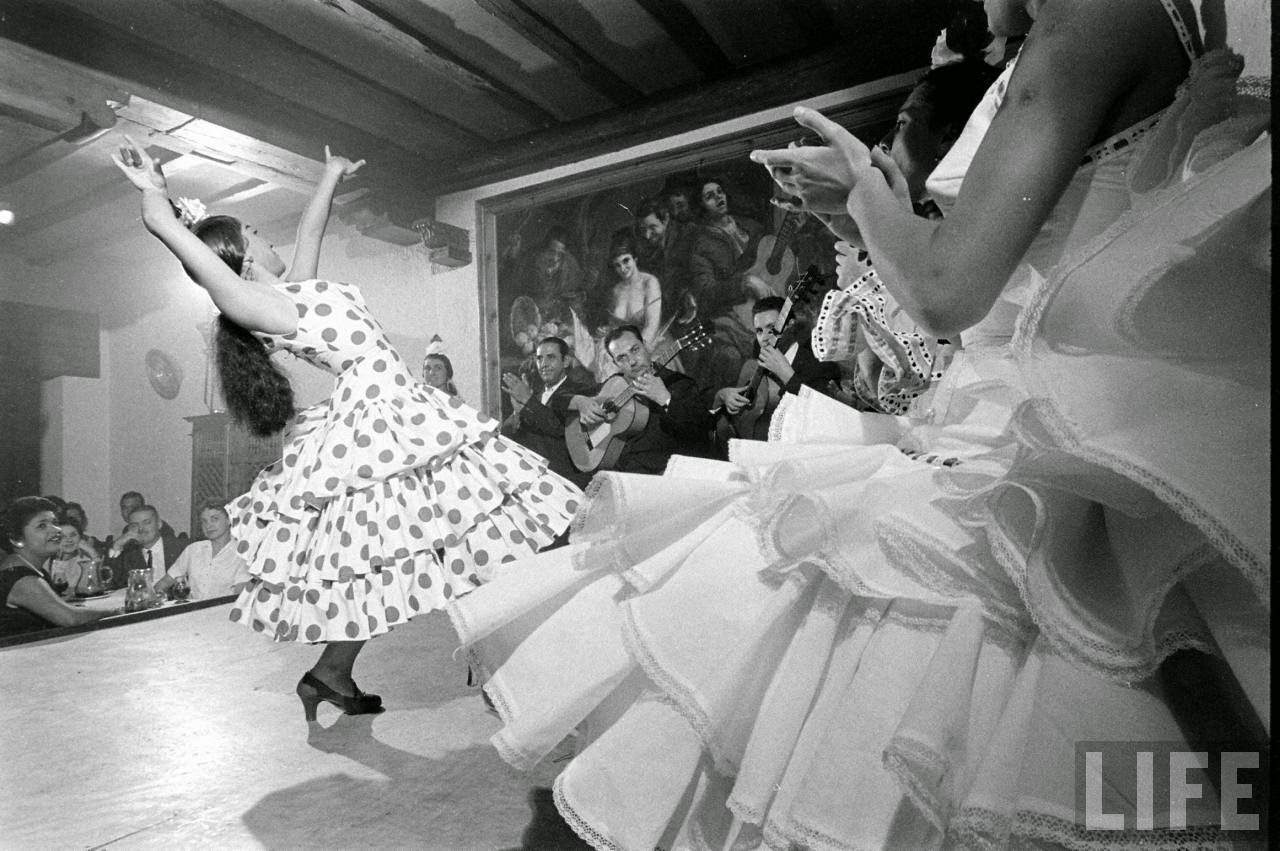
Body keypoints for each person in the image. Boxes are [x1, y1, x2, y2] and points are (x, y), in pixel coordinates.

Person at [450, 1, 1268, 846]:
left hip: (1019, 440)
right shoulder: (1146, 24)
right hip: (1013, 418)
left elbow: (950, 290)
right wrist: (862, 212)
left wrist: (865, 192)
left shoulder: (1090, 17)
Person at [113, 138, 582, 720]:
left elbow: (309, 236)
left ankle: (331, 675)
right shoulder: (255, 303)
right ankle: (509, 677)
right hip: (379, 419)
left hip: (396, 411)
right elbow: (177, 238)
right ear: (239, 253)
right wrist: (153, 193)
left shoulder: (290, 292)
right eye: (256, 233)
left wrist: (329, 175)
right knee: (445, 539)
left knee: (404, 555)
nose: (269, 237)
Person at [810, 46, 1001, 414]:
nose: (885, 141)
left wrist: (870, 278)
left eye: (902, 123)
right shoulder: (938, 221)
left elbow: (913, 386)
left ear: (947, 135)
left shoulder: (968, 226)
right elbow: (877, 386)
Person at [572, 325, 710, 475]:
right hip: (613, 470)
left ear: (646, 345)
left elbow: (701, 432)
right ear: (616, 364)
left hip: (658, 475)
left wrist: (665, 398)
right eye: (621, 357)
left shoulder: (680, 383)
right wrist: (580, 402)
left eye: (635, 350)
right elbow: (564, 397)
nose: (632, 362)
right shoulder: (615, 383)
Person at [713, 295, 840, 444]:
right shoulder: (752, 366)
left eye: (771, 329)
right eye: (759, 331)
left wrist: (787, 375)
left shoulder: (822, 365)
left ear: (791, 325)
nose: (764, 338)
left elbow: (826, 416)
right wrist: (722, 395)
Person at [1, 497, 119, 637]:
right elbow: (70, 618)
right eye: (42, 526)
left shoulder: (29, 567)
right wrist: (115, 612)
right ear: (17, 539)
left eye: (55, 523)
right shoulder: (22, 579)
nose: (56, 530)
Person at [501, 336, 597, 490]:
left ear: (566, 361)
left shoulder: (580, 390)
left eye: (550, 357)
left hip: (569, 483)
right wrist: (517, 413)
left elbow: (563, 430)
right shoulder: (534, 396)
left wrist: (527, 400)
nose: (543, 364)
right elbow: (506, 436)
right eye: (539, 359)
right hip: (537, 486)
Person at [686, 177, 766, 318]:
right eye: (710, 196)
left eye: (720, 191)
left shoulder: (751, 226)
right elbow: (705, 292)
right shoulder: (701, 245)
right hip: (740, 312)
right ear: (701, 206)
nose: (718, 197)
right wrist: (743, 283)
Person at [155, 500, 247, 601]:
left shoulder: (242, 553)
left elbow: (241, 596)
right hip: (192, 611)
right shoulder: (193, 549)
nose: (208, 525)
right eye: (204, 521)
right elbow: (164, 583)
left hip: (223, 612)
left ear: (229, 520)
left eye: (214, 519)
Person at [104, 504, 189, 590]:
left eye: (146, 523)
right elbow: (110, 583)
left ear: (159, 524)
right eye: (135, 525)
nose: (141, 528)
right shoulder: (128, 553)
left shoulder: (181, 548)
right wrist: (117, 545)